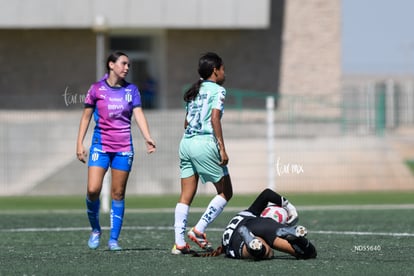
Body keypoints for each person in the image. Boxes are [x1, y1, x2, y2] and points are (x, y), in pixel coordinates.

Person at [76, 51, 156, 251]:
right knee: (93, 190)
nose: (127, 67)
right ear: (111, 65)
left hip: (123, 147)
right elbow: (86, 117)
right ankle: (95, 229)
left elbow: (139, 114)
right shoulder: (96, 89)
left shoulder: (132, 90)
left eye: (128, 64)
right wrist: (79, 143)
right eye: (123, 63)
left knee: (117, 193)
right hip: (100, 146)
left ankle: (113, 240)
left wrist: (147, 137)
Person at [172, 52, 233, 255]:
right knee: (226, 192)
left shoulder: (193, 91)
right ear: (215, 71)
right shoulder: (219, 91)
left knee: (185, 196)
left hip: (186, 143)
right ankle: (198, 230)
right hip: (205, 144)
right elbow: (215, 119)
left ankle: (179, 243)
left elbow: (186, 122)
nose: (224, 72)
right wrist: (222, 148)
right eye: (223, 68)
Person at [198, 188, 317, 260]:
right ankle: (295, 238)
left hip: (234, 239)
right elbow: (267, 193)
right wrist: (290, 208)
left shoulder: (248, 212)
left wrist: (289, 207)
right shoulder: (260, 217)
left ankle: (254, 247)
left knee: (265, 252)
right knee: (309, 253)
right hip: (262, 225)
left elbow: (266, 193)